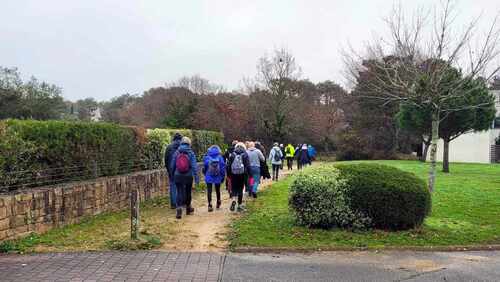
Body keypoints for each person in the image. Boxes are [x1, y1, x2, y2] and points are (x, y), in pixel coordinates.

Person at [170, 137, 199, 219]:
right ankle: (188, 208)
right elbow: (194, 166)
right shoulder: (191, 153)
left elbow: (172, 165)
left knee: (179, 192)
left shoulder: (176, 152)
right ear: (189, 144)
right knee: (188, 192)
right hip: (188, 176)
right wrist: (196, 178)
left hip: (177, 175)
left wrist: (172, 175)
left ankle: (179, 209)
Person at [227, 142, 250, 212]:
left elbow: (228, 166)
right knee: (240, 189)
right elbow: (248, 166)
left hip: (233, 174)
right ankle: (239, 206)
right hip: (242, 174)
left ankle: (234, 200)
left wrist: (229, 175)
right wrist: (248, 175)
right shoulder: (245, 154)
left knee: (234, 188)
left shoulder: (232, 154)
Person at [203, 145, 226, 212]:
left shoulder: (207, 157)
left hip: (209, 175)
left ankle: (210, 205)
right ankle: (218, 202)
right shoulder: (220, 157)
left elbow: (205, 167)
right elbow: (222, 168)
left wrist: (205, 174)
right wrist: (223, 176)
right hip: (218, 176)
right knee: (217, 190)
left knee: (209, 190)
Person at [164, 132, 182, 209]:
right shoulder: (183, 147)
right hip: (181, 170)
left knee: (173, 186)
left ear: (173, 138)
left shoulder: (169, 147)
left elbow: (166, 159)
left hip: (172, 170)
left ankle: (174, 204)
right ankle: (181, 202)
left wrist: (168, 170)